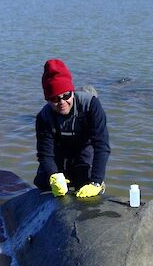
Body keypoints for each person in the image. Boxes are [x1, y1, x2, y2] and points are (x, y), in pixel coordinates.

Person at [34, 59, 110, 198]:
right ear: (48, 99)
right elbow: (45, 154)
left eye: (66, 95)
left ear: (72, 92)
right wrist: (53, 175)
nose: (62, 102)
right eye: (55, 99)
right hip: (60, 150)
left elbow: (101, 145)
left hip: (84, 149)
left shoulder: (91, 105)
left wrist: (96, 182)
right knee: (43, 182)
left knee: (84, 182)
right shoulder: (43, 117)